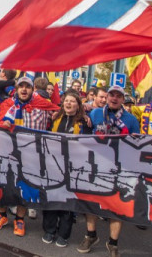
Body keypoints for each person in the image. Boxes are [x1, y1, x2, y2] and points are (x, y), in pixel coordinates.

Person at [0, 76, 58, 236]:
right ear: (17, 88)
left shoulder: (42, 105)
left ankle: (19, 219)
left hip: (31, 156)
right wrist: (2, 124)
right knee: (4, 186)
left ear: (32, 89)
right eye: (21, 86)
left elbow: (63, 111)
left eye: (27, 86)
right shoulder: (8, 104)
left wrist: (84, 115)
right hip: (8, 154)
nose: (24, 89)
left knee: (26, 188)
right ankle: (1, 215)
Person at [79, 85, 140, 256]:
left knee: (117, 206)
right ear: (106, 97)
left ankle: (113, 243)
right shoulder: (96, 113)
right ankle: (90, 235)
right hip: (95, 165)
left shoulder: (131, 120)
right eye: (111, 95)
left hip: (119, 168)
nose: (114, 98)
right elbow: (84, 135)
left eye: (118, 96)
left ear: (122, 99)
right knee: (91, 202)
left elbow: (138, 146)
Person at [44, 91, 92, 247]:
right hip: (53, 164)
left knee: (68, 202)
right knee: (52, 198)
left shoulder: (84, 122)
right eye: (66, 101)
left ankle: (64, 234)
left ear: (78, 105)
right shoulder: (56, 118)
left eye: (72, 101)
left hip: (73, 167)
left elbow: (89, 145)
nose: (69, 103)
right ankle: (50, 230)